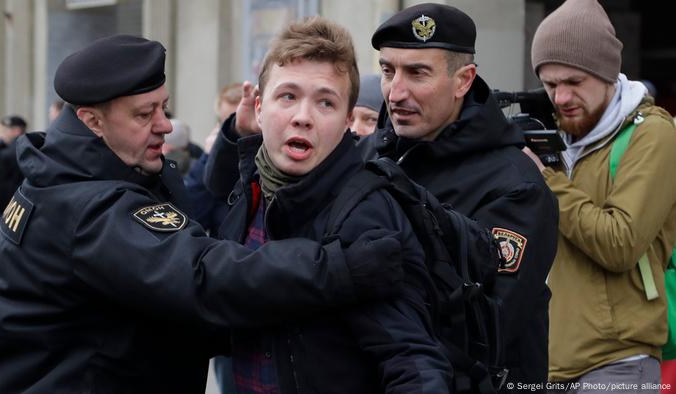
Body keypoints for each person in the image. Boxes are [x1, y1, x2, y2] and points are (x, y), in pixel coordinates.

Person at [0, 34, 407, 394]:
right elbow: (204, 273)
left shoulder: (72, 174)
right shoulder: (88, 206)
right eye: (145, 114)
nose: (165, 124)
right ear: (92, 121)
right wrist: (340, 268)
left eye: (164, 107)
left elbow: (194, 217)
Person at [205, 4, 558, 391]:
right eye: (389, 71)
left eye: (417, 73)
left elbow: (488, 329)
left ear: (463, 80)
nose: (396, 92)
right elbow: (230, 199)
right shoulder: (370, 153)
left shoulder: (514, 184)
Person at [211, 16, 450, 393]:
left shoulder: (364, 210)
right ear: (259, 108)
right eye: (287, 96)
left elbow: (410, 358)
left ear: (347, 122)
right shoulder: (251, 188)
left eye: (325, 102)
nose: (302, 118)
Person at [526, 0, 676, 391]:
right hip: (548, 360)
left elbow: (620, 242)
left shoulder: (652, 134)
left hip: (619, 361)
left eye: (574, 82)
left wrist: (548, 179)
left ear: (608, 74)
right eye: (550, 84)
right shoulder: (556, 140)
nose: (560, 98)